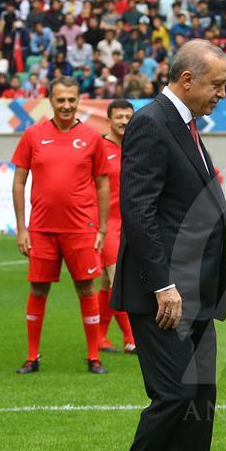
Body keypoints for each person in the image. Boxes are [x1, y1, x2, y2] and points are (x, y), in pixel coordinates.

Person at [101, 39, 226, 451]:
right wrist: (163, 285)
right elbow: (138, 211)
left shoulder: (183, 124)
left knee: (199, 399)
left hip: (197, 292)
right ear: (187, 80)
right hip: (164, 294)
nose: (222, 94)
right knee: (174, 396)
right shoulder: (151, 123)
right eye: (217, 85)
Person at [10, 76, 110, 375]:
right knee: (38, 289)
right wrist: (21, 228)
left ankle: (94, 357)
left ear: (78, 100)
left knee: (85, 288)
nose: (66, 105)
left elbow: (103, 185)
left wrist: (102, 230)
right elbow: (18, 182)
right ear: (50, 101)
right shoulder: (33, 135)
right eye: (60, 100)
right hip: (41, 229)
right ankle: (32, 357)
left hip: (81, 228)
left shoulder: (92, 137)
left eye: (71, 99)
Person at [97, 99, 137, 355]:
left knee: (105, 282)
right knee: (118, 280)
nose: (124, 121)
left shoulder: (136, 148)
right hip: (106, 224)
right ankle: (131, 338)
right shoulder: (99, 147)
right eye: (119, 117)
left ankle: (100, 337)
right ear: (109, 119)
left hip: (130, 224)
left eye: (128, 117)